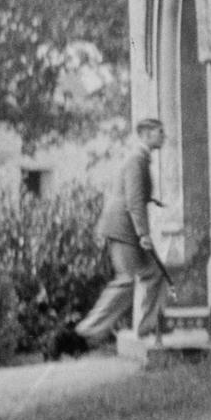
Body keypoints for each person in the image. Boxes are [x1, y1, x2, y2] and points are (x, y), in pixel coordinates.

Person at [75, 116, 170, 347]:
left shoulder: (141, 159)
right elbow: (134, 201)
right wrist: (143, 234)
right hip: (122, 228)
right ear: (146, 135)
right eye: (159, 132)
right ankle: (87, 330)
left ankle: (147, 328)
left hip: (126, 226)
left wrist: (155, 201)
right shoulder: (136, 159)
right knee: (127, 280)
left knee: (155, 272)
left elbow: (137, 194)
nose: (163, 136)